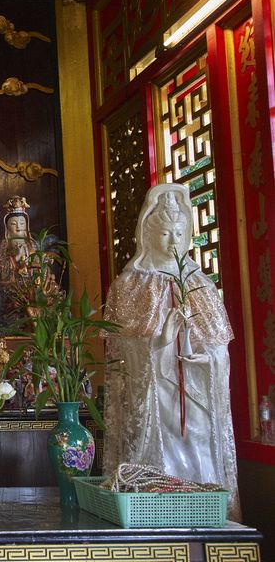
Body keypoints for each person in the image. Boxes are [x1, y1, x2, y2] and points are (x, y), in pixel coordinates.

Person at [103, 183, 239, 520]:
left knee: (198, 445)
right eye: (165, 233)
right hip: (155, 401)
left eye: (179, 232)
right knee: (156, 460)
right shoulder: (130, 286)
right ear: (147, 234)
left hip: (194, 400)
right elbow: (120, 356)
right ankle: (153, 514)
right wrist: (159, 344)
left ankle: (205, 509)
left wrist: (206, 360)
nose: (174, 240)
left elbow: (219, 350)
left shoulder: (201, 285)